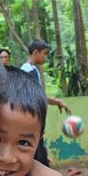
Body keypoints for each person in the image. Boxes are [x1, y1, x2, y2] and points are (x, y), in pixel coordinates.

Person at [20, 39, 71, 167]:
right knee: (38, 158)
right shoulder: (28, 70)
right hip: (31, 121)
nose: (45, 57)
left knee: (40, 154)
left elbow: (39, 95)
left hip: (35, 121)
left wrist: (57, 102)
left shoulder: (32, 69)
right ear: (36, 52)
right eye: (44, 53)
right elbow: (32, 96)